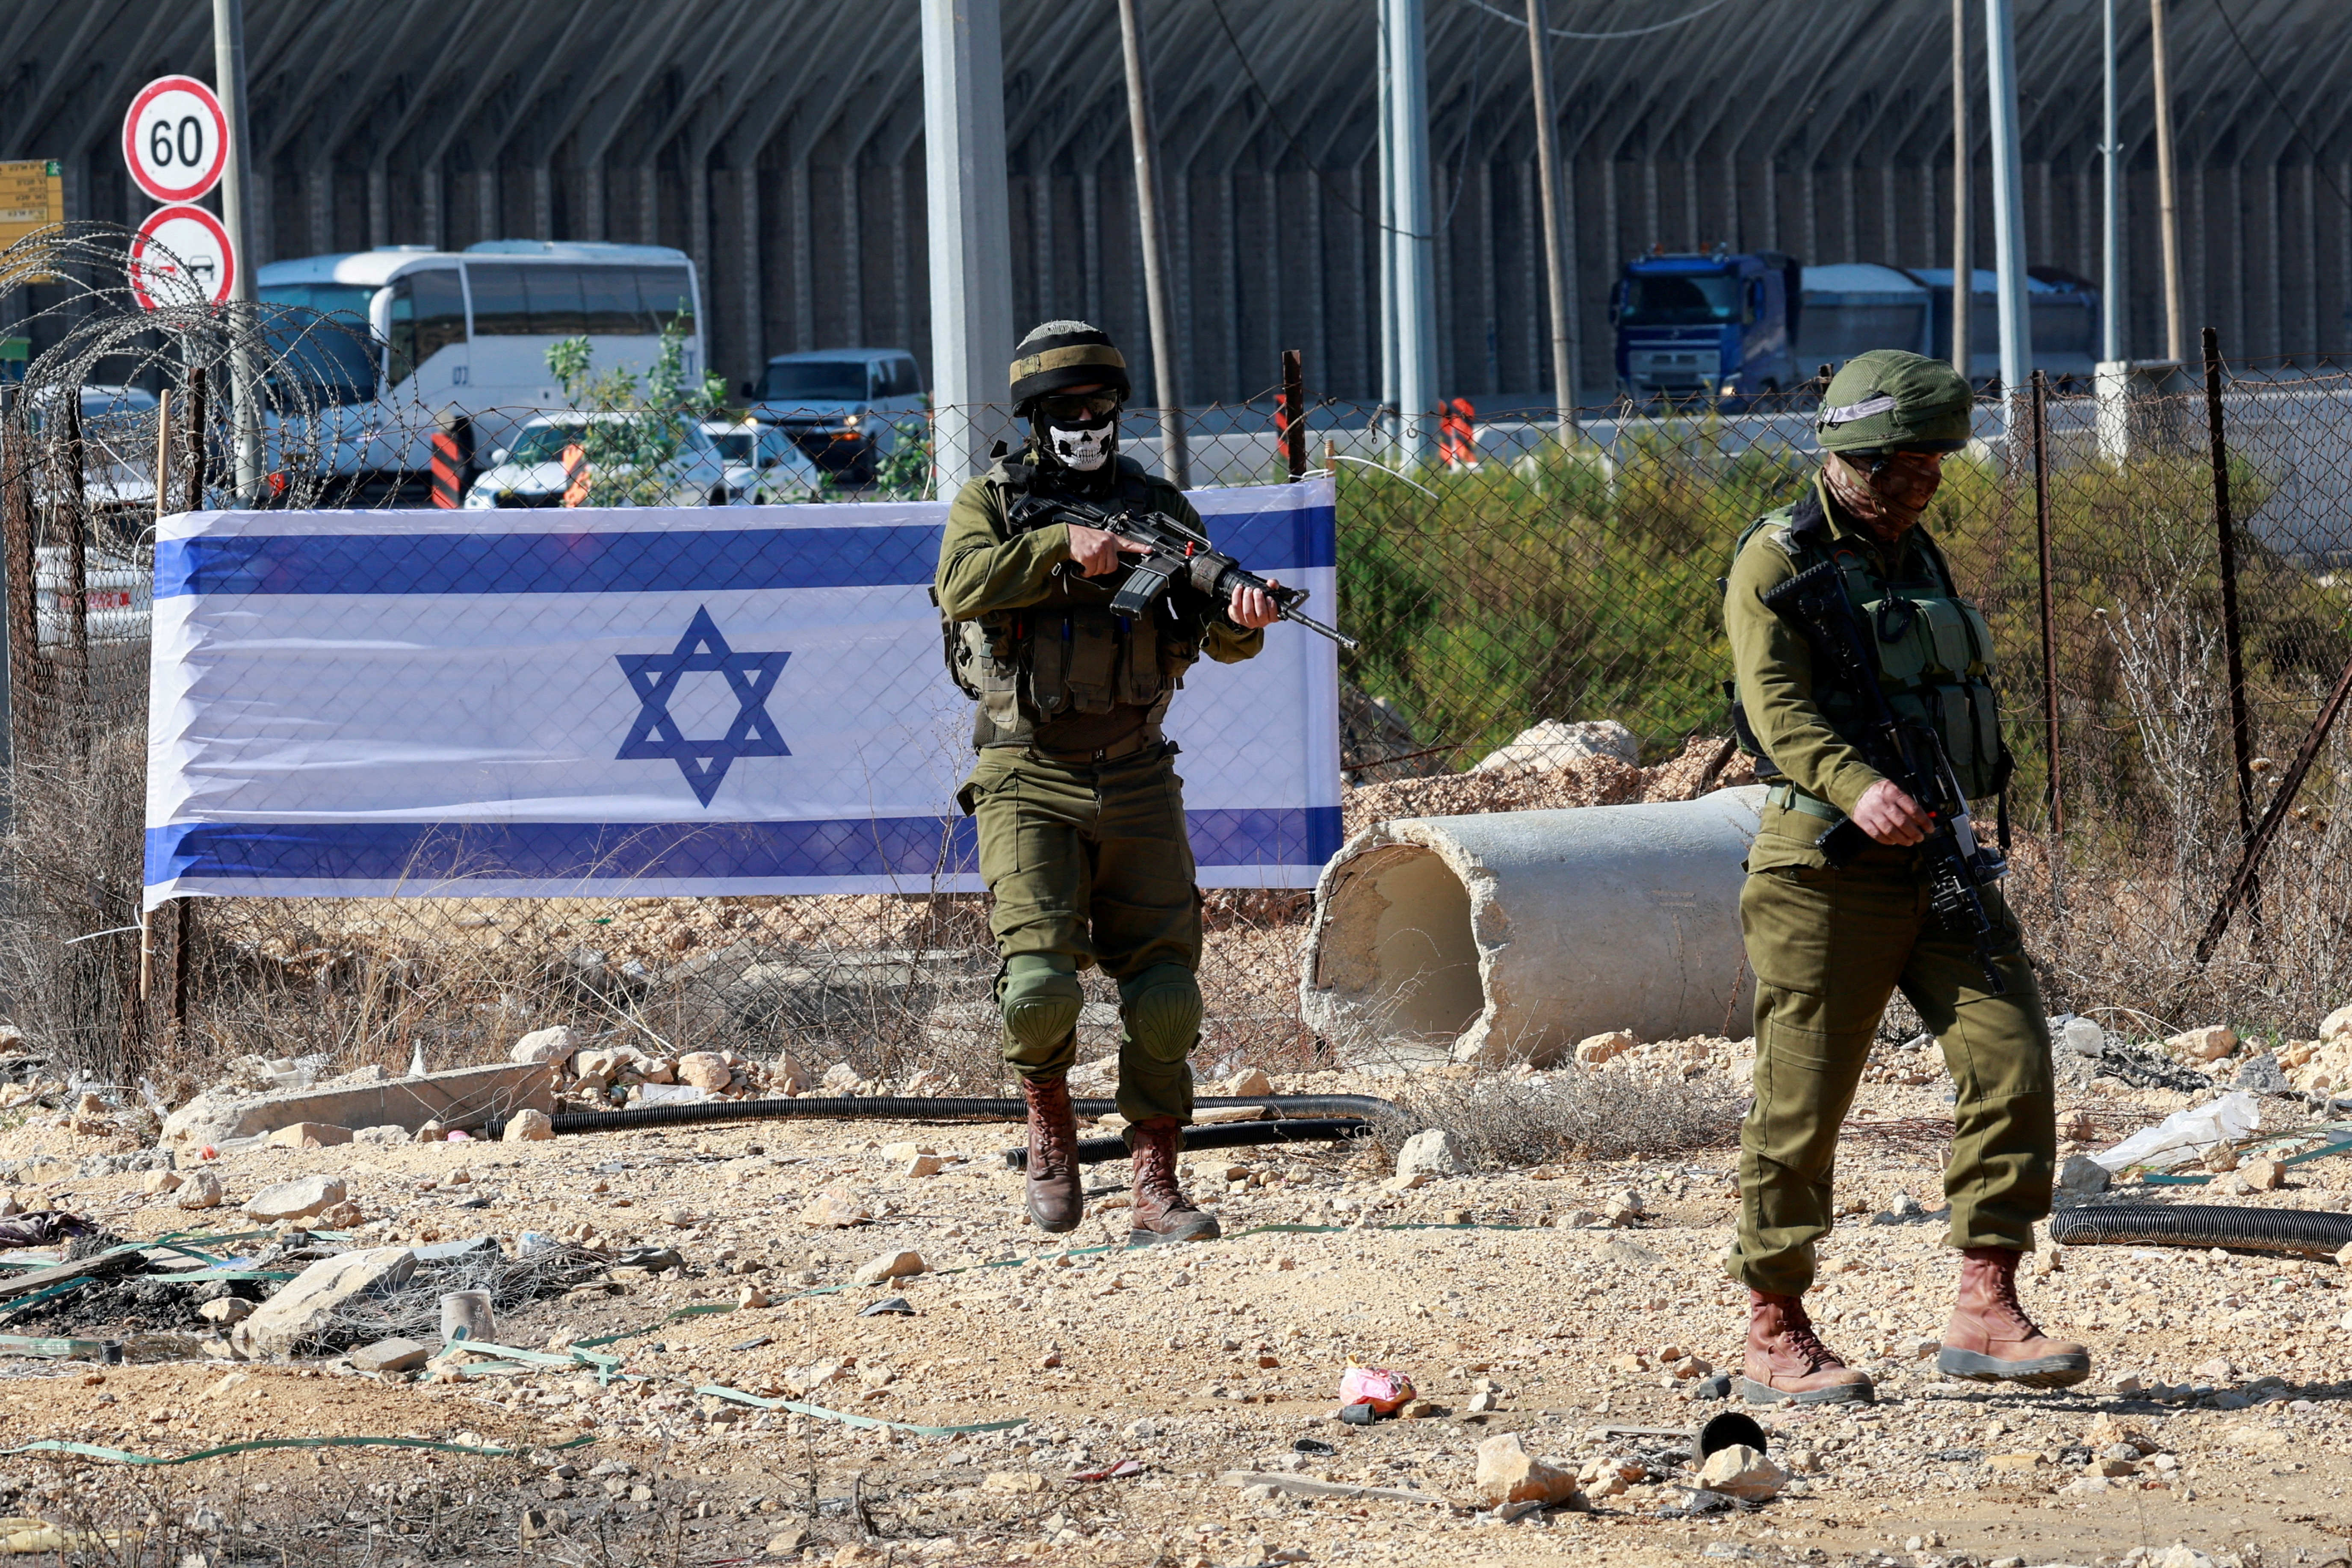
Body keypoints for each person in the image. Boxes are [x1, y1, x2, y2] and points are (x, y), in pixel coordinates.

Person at [1719, 349, 2089, 1404]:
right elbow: (1776, 709)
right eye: (1896, 467)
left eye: (1930, 466)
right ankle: (1774, 1323)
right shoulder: (1775, 557)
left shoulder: (1912, 553)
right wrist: (1854, 786)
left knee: (2011, 1058)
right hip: (1821, 874)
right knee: (1802, 1101)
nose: (1916, 485)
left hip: (1940, 859)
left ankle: (1985, 1300)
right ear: (1845, 456)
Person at [934, 320, 1281, 1246]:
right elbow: (959, 583)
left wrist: (1244, 616)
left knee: (1167, 993)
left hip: (1134, 773)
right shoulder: (994, 503)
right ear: (1037, 418)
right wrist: (1059, 550)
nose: (1086, 424)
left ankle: (1154, 1181)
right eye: (1066, 411)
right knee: (1039, 989)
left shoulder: (1161, 509)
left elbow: (1219, 634)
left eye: (1099, 408)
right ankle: (1050, 1132)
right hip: (1027, 774)